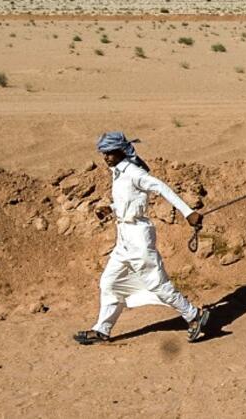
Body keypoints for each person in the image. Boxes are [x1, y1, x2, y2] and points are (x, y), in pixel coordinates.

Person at [72, 131, 211, 345]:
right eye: (104, 153)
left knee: (156, 283)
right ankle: (102, 329)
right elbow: (129, 202)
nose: (106, 158)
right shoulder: (117, 173)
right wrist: (110, 208)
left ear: (121, 151)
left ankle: (193, 315)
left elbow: (161, 188)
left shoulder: (134, 173)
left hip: (138, 237)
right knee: (109, 282)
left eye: (109, 153)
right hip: (124, 238)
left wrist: (188, 213)